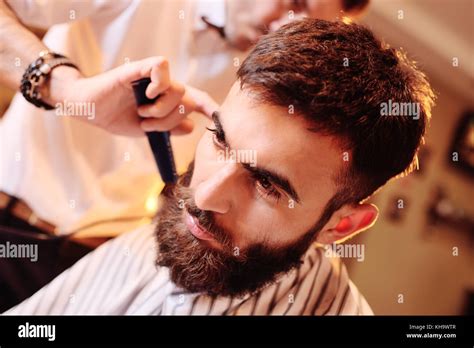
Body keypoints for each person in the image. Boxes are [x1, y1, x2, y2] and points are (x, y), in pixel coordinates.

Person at [5, 18, 435, 315]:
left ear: (341, 226)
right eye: (219, 138)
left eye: (268, 185)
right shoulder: (155, 241)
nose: (204, 198)